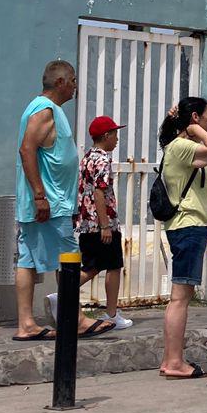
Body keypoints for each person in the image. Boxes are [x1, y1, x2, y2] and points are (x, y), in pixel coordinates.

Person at [13, 60, 113, 341]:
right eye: (73, 81)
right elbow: (26, 150)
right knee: (68, 259)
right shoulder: (45, 111)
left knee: (27, 260)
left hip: (46, 202)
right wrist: (40, 195)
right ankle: (76, 319)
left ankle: (26, 324)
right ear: (60, 83)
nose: (75, 87)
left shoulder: (44, 110)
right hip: (49, 203)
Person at [157, 96, 207, 378]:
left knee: (182, 295)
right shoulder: (182, 146)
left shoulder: (179, 146)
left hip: (190, 226)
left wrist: (183, 124)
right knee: (180, 297)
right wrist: (194, 128)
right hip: (188, 226)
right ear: (196, 117)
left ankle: (173, 359)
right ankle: (173, 362)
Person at [73, 116, 132, 331]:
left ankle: (63, 295)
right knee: (112, 266)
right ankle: (111, 313)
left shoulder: (87, 158)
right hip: (101, 224)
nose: (117, 139)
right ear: (106, 136)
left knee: (92, 266)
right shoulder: (103, 160)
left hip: (87, 223)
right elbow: (99, 192)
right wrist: (105, 225)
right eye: (115, 134)